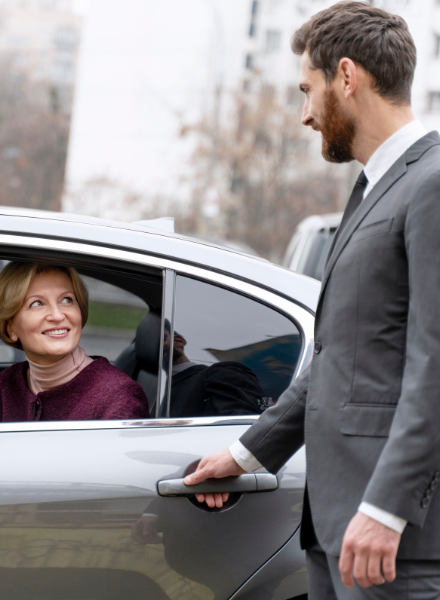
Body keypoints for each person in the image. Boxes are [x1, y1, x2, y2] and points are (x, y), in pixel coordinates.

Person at [184, 2, 440, 598]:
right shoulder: (378, 185)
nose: (304, 114)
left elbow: (436, 364)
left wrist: (387, 507)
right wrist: (247, 454)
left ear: (346, 78)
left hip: (392, 539)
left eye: (308, 89)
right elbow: (341, 359)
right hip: (335, 529)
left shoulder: (431, 184)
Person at [0, 262, 149, 422]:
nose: (58, 316)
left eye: (67, 300)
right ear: (10, 328)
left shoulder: (118, 398)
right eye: (37, 304)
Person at [166, 331, 265, 417]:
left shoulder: (221, 374)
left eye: (152, 337)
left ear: (178, 341)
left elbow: (243, 429)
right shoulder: (155, 393)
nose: (150, 345)